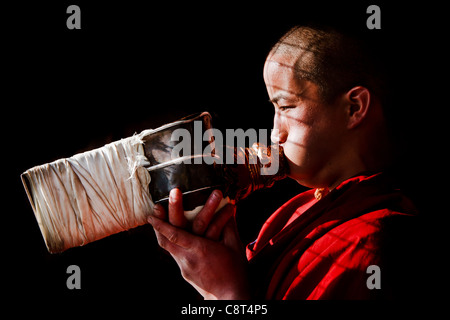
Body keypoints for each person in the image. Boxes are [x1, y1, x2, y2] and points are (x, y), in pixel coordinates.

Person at [146, 25, 418, 300]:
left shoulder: (371, 243)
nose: (276, 132)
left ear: (354, 108)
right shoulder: (294, 211)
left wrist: (226, 293)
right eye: (274, 110)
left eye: (287, 107)